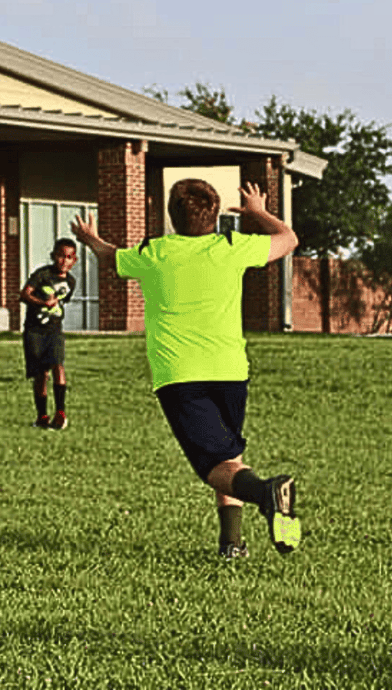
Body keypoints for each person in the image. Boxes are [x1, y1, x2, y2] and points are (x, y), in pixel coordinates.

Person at [71, 179, 301, 557]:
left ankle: (266, 492)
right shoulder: (232, 246)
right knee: (228, 454)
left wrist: (91, 238)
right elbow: (288, 238)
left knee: (212, 464)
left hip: (180, 376)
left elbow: (111, 258)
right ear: (214, 214)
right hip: (230, 371)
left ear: (171, 215)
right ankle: (232, 544)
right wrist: (257, 211)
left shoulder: (155, 252)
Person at [20, 238, 78, 430]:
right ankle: (42, 416)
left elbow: (62, 302)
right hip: (35, 330)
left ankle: (60, 413)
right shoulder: (42, 274)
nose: (64, 261)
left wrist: (54, 308)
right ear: (54, 256)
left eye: (69, 257)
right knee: (41, 374)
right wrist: (43, 303)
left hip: (54, 330)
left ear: (74, 260)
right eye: (61, 256)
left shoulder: (71, 281)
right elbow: (24, 294)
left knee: (58, 365)